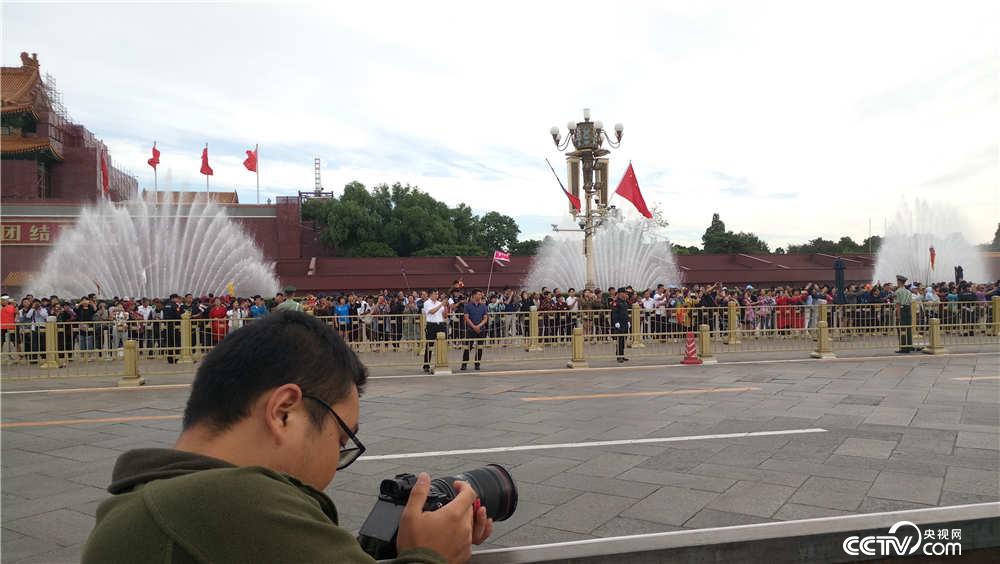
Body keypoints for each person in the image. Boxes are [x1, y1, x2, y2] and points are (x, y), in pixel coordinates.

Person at [82, 311, 491, 563]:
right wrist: (431, 556)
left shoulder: (144, 503)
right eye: (341, 440)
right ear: (283, 412)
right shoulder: (230, 502)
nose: (336, 463)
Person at [461, 290, 488, 371]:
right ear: (474, 295)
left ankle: (477, 364)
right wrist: (473, 326)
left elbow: (485, 318)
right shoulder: (467, 306)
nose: (480, 296)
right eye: (479, 294)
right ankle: (464, 364)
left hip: (481, 329)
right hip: (471, 329)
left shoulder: (483, 306)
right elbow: (466, 317)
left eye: (481, 294)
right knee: (467, 347)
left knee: (480, 347)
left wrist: (479, 326)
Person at [421, 289, 446, 373]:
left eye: (437, 294)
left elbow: (444, 315)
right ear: (431, 295)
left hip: (441, 324)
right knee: (429, 345)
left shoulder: (440, 303)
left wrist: (445, 306)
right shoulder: (426, 303)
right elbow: (431, 311)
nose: (437, 295)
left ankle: (441, 363)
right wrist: (441, 305)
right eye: (435, 294)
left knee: (441, 344)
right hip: (431, 325)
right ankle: (426, 365)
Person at [894, 275, 915, 353]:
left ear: (899, 282)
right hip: (908, 309)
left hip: (901, 310)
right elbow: (910, 303)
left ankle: (903, 348)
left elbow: (898, 304)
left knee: (902, 329)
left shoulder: (898, 291)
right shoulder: (908, 291)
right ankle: (909, 346)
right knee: (908, 328)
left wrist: (898, 315)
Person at [611, 287, 631, 362]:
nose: (625, 294)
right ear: (619, 293)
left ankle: (622, 355)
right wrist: (616, 322)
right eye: (624, 292)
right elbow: (614, 313)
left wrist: (628, 321)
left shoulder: (625, 302)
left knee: (623, 340)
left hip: (625, 323)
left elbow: (626, 313)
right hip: (619, 324)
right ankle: (619, 356)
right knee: (619, 340)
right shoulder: (616, 302)